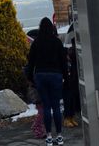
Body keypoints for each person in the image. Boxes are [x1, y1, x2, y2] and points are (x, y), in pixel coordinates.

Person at [27, 17, 67, 145]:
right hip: (55, 75)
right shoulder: (57, 42)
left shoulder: (36, 42)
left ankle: (49, 136)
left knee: (46, 107)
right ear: (52, 28)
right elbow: (63, 61)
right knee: (56, 106)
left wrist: (30, 79)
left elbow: (30, 62)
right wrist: (65, 76)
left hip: (40, 76)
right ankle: (59, 135)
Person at [62, 36, 81, 127]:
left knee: (72, 100)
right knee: (68, 100)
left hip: (72, 81)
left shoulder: (72, 58)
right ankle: (67, 118)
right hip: (68, 81)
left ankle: (71, 117)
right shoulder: (69, 58)